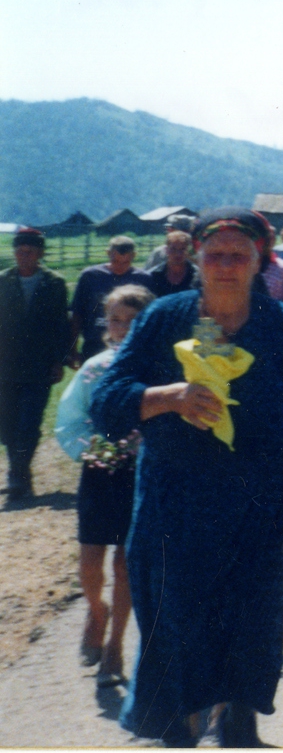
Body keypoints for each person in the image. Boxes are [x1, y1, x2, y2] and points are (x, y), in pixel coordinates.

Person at [91, 207, 283, 747]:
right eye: (215, 254)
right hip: (172, 512)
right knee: (175, 631)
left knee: (249, 628)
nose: (226, 265)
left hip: (256, 512)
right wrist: (167, 397)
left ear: (260, 262)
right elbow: (106, 404)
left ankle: (238, 725)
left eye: (238, 256)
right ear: (197, 258)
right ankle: (176, 731)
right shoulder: (164, 319)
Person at [54, 283, 154, 689]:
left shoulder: (157, 367)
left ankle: (115, 646)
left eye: (133, 320)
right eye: (115, 319)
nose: (123, 327)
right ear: (105, 324)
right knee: (91, 561)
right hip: (99, 470)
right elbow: (69, 419)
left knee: (125, 563)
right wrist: (88, 449)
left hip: (140, 473)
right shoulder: (95, 367)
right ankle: (98, 610)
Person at [0, 228, 72, 504]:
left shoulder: (54, 283)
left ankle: (17, 475)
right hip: (5, 365)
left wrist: (60, 360)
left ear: (40, 253)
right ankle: (19, 472)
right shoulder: (4, 281)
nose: (23, 256)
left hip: (39, 365)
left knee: (29, 422)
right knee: (6, 424)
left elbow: (61, 326)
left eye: (29, 251)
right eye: (19, 251)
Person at [71, 236, 151, 364]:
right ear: (108, 253)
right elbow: (77, 314)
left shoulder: (143, 279)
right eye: (115, 261)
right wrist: (72, 349)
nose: (119, 267)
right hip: (94, 343)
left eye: (125, 262)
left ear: (134, 256)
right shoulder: (90, 276)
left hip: (130, 343)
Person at [147, 230, 198, 299]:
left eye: (182, 249)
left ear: (188, 250)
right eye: (173, 249)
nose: (178, 254)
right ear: (166, 250)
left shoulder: (198, 275)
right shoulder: (154, 274)